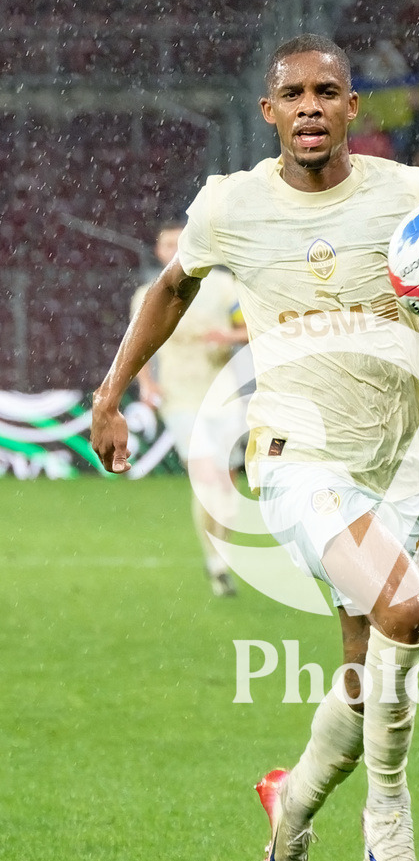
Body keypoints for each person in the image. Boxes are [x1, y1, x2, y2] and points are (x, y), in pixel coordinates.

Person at [90, 33, 419, 861]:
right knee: (407, 607)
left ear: (354, 108)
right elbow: (173, 289)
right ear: (269, 111)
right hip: (295, 454)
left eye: (328, 92)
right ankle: (389, 807)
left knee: (365, 674)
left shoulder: (409, 195)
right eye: (294, 94)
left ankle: (292, 807)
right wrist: (112, 389)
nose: (311, 106)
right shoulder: (231, 206)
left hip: (397, 459)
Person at [133, 221, 248, 596]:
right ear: (158, 251)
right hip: (178, 396)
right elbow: (138, 346)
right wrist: (147, 384)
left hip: (222, 392)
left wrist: (226, 336)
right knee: (206, 477)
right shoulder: (148, 294)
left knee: (228, 488)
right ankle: (215, 563)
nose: (175, 249)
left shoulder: (224, 285)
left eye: (180, 242)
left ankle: (220, 553)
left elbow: (251, 328)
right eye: (168, 244)